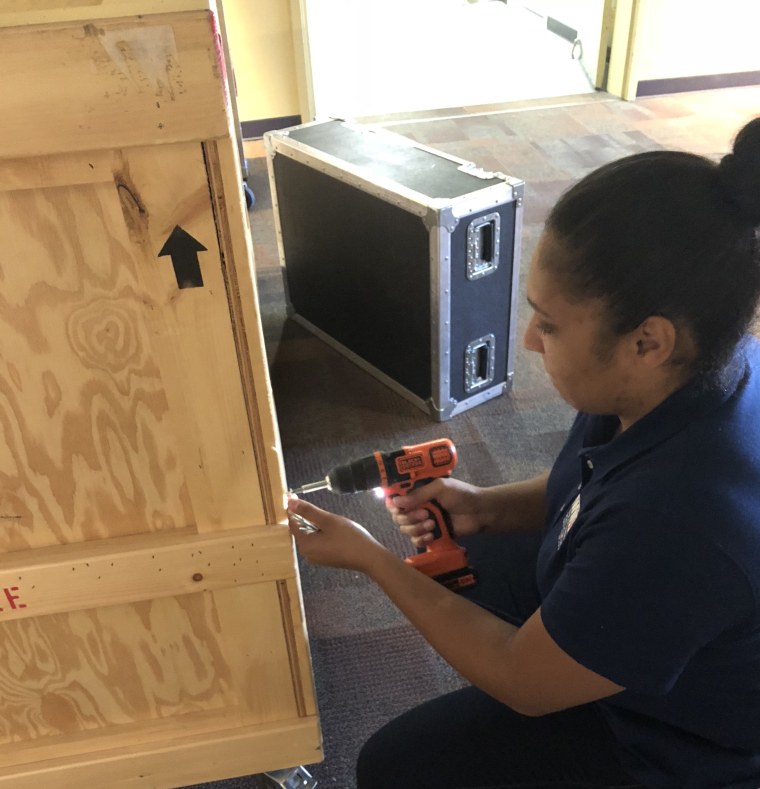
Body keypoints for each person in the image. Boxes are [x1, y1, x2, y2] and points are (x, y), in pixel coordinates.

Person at [286, 116, 760, 789]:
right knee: (459, 559)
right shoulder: (694, 368)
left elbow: (521, 681)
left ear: (648, 341)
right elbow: (592, 482)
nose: (531, 340)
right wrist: (484, 507)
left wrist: (369, 560)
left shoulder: (682, 524)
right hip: (653, 593)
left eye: (551, 323)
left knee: (392, 767)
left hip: (672, 742)